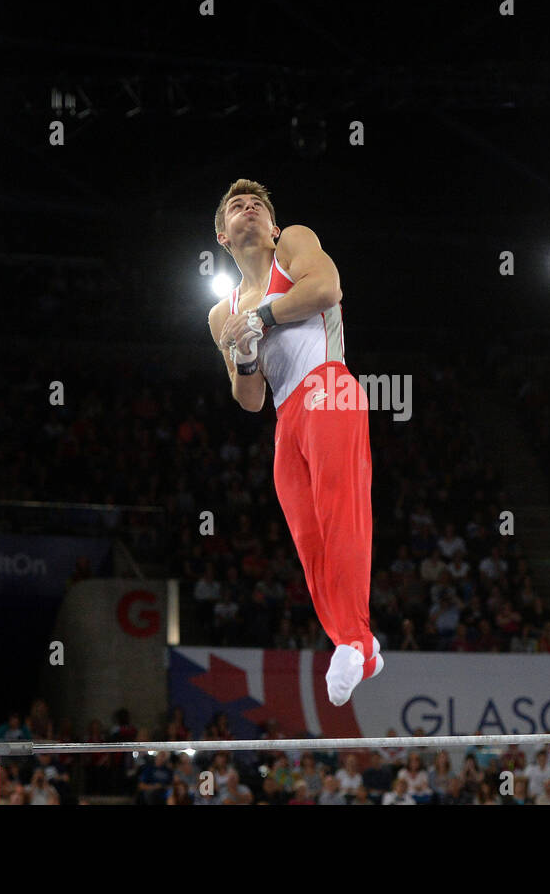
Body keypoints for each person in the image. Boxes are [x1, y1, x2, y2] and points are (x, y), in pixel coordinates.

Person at [209, 179, 380, 705]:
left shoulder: (296, 243)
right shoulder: (222, 312)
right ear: (222, 235)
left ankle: (352, 639)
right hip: (286, 417)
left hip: (328, 388)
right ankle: (362, 646)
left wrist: (261, 318)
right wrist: (242, 353)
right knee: (310, 544)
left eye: (257, 204)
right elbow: (250, 398)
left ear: (274, 226)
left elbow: (327, 291)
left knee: (339, 515)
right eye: (236, 206)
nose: (248, 208)